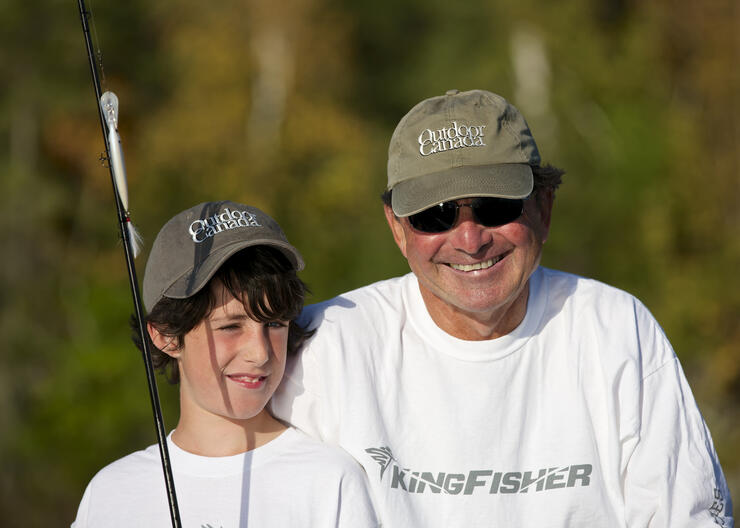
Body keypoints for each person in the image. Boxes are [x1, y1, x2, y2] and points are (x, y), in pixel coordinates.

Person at [271, 89, 735, 527]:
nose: (470, 240)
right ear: (397, 228)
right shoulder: (326, 348)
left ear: (545, 207)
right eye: (436, 215)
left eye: (495, 207)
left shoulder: (616, 331)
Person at [72, 201, 379, 527]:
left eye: (274, 324)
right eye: (230, 326)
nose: (259, 353)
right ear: (166, 336)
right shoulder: (110, 494)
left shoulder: (331, 482)